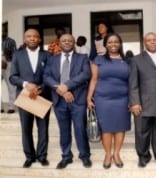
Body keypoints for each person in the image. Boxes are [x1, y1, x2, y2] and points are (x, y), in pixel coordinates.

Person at [43, 33, 92, 169]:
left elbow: (85, 74)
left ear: (74, 42)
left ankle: (85, 155)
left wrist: (67, 85)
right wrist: (61, 89)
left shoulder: (82, 58)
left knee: (80, 129)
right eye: (63, 40)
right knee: (64, 130)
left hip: (78, 100)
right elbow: (46, 76)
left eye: (69, 40)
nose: (66, 42)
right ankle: (66, 156)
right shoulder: (52, 59)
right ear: (59, 43)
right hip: (59, 100)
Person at [129, 32, 156, 168]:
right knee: (142, 132)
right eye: (149, 40)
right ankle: (143, 156)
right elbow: (133, 83)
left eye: (155, 39)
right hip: (143, 104)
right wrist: (135, 102)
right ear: (145, 43)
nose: (153, 42)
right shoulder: (136, 60)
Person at [87, 33, 131, 169]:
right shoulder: (98, 59)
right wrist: (89, 97)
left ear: (120, 44)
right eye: (110, 42)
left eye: (116, 42)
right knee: (106, 128)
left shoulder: (127, 60)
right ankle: (107, 154)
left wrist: (132, 99)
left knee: (120, 127)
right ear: (105, 44)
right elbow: (94, 79)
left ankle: (116, 154)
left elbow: (131, 81)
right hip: (103, 98)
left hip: (123, 99)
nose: (113, 44)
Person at [9, 28, 51, 168]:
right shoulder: (17, 55)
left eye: (35, 36)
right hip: (25, 96)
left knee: (43, 128)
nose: (32, 38)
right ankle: (29, 157)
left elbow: (51, 76)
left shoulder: (47, 55)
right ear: (24, 39)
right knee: (26, 129)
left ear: (39, 39)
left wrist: (40, 87)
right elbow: (13, 77)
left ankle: (42, 156)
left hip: (42, 95)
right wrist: (27, 84)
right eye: (29, 36)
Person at [1, 27, 17, 113]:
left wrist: (6, 61)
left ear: (5, 31)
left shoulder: (10, 41)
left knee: (11, 85)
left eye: (2, 30)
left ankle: (12, 107)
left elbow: (15, 54)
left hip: (8, 62)